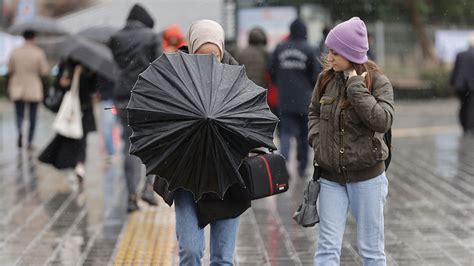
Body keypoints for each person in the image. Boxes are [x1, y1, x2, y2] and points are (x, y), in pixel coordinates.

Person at [153, 19, 250, 265]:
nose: (208, 63)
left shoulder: (237, 79)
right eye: (202, 57)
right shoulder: (175, 78)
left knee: (222, 259)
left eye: (214, 56)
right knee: (190, 251)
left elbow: (249, 127)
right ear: (193, 51)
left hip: (228, 178)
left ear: (221, 52)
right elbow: (161, 123)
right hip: (186, 177)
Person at [308, 17, 394, 265]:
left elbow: (382, 120)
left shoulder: (378, 82)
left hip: (368, 178)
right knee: (326, 248)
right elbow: (313, 112)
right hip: (331, 177)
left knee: (371, 251)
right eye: (329, 51)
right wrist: (318, 141)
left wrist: (356, 87)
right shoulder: (325, 79)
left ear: (351, 53)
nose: (330, 57)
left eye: (335, 52)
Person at [109, 3, 161, 212]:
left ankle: (131, 196)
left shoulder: (116, 38)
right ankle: (148, 188)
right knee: (154, 144)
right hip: (147, 98)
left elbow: (118, 65)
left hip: (122, 98)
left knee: (129, 146)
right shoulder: (151, 37)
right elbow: (159, 67)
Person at [270, 18, 318, 177]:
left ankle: (283, 167)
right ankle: (302, 166)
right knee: (304, 136)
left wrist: (283, 84)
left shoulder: (280, 48)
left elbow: (272, 71)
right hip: (304, 101)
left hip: (285, 100)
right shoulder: (309, 50)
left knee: (285, 134)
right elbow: (315, 76)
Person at [55, 60, 98, 181]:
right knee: (70, 137)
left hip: (85, 109)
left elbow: (93, 88)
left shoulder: (90, 67)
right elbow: (59, 84)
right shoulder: (65, 64)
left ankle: (80, 164)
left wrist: (85, 74)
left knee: (82, 138)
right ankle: (72, 163)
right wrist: (68, 79)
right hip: (71, 110)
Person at [7, 29, 49, 150]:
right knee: (32, 117)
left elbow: (10, 69)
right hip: (33, 87)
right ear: (34, 37)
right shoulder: (38, 52)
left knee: (19, 114)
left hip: (17, 86)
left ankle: (20, 130)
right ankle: (29, 141)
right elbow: (44, 71)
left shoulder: (15, 52)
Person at [450, 34, 474, 135]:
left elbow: (456, 71)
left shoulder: (460, 54)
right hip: (472, 86)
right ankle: (469, 127)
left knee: (463, 106)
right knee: (471, 107)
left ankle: (464, 125)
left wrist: (452, 83)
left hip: (460, 86)